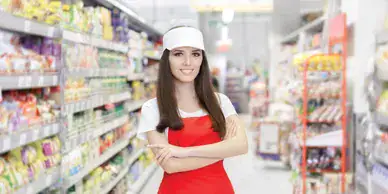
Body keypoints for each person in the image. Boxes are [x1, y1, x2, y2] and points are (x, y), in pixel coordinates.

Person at [136, 25, 248, 194]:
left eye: (195, 54)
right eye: (178, 54)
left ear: (202, 59)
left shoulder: (220, 102)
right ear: (167, 59)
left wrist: (184, 152)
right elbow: (171, 165)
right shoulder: (152, 109)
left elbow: (241, 145)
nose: (188, 62)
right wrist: (224, 149)